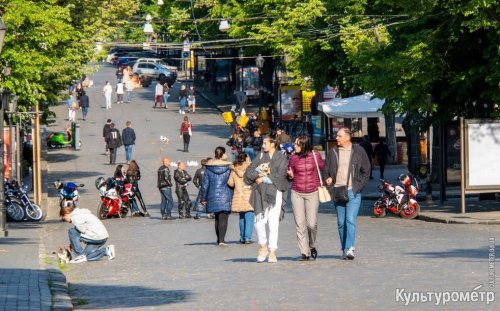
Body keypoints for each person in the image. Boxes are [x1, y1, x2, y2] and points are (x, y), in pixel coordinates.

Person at [324, 127, 370, 260]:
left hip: (352, 190)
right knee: (341, 222)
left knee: (350, 219)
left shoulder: (359, 151)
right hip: (337, 190)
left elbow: (366, 170)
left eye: (339, 136)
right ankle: (344, 248)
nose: (336, 138)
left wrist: (359, 186)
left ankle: (350, 248)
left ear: (347, 137)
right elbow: (326, 169)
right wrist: (328, 178)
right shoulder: (332, 152)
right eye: (337, 136)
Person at [244, 134, 289, 263]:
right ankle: (262, 246)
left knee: (273, 223)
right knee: (259, 222)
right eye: (263, 143)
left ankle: (272, 251)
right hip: (260, 193)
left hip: (275, 192)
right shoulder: (260, 156)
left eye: (265, 143)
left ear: (273, 144)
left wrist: (264, 178)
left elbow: (281, 175)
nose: (263, 146)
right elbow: (249, 173)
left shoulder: (281, 157)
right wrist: (258, 171)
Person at [287, 135, 324, 261]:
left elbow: (323, 167)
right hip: (296, 192)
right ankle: (304, 252)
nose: (294, 146)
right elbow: (290, 172)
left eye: (297, 144)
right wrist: (290, 175)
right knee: (300, 223)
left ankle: (312, 245)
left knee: (311, 224)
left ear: (303, 145)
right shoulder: (293, 157)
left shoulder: (315, 155)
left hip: (312, 192)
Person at [200, 147, 233, 246]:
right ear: (223, 155)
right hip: (225, 194)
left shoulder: (209, 168)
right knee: (224, 217)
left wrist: (203, 198)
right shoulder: (229, 168)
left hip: (212, 195)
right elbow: (232, 182)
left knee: (217, 218)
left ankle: (219, 239)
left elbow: (204, 184)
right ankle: (222, 240)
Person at [228, 152, 254, 244]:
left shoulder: (234, 170)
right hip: (249, 195)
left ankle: (242, 237)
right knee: (249, 217)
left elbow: (230, 183)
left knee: (242, 217)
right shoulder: (250, 169)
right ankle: (247, 237)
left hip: (239, 196)